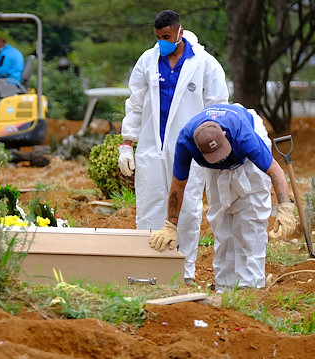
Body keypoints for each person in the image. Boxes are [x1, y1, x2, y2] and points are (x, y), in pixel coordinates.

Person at [118, 10, 229, 284]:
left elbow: (218, 108)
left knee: (188, 207)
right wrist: (126, 144)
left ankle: (184, 273)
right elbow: (134, 104)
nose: (162, 42)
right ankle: (147, 273)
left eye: (166, 36)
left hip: (190, 150)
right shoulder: (148, 60)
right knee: (150, 204)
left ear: (180, 32)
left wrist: (214, 150)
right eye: (157, 37)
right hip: (151, 149)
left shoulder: (205, 64)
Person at [149, 103, 298, 291]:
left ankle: (249, 286)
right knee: (221, 220)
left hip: (245, 157)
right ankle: (225, 285)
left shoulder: (245, 136)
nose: (220, 159)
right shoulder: (186, 142)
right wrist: (170, 225)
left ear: (225, 136)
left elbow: (275, 171)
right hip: (214, 165)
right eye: (215, 156)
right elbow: (178, 185)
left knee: (250, 219)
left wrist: (284, 207)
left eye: (221, 153)